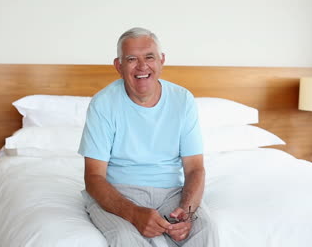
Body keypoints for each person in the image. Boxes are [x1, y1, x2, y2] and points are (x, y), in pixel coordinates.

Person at [79, 27, 219, 247]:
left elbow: (195, 168)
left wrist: (188, 212)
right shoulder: (103, 104)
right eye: (132, 59)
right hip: (117, 194)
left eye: (149, 57)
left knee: (205, 229)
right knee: (125, 238)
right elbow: (93, 177)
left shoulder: (183, 101)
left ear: (161, 61)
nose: (142, 66)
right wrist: (134, 213)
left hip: (172, 193)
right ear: (119, 66)